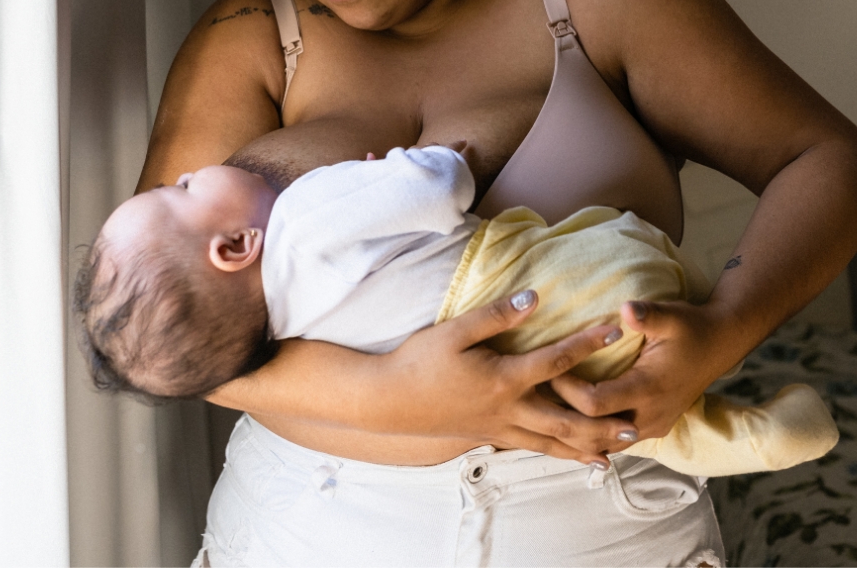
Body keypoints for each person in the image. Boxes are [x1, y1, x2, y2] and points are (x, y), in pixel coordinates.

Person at [135, 0, 857, 567]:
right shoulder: (252, 37)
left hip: (603, 530)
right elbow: (160, 325)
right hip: (309, 529)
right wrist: (395, 395)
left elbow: (825, 156)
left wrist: (726, 328)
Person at [79, 143, 837, 480]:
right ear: (236, 247)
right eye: (178, 193)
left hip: (532, 386)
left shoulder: (283, 330)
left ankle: (757, 435)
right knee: (609, 253)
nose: (182, 174)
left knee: (631, 428)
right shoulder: (303, 214)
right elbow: (437, 190)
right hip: (542, 291)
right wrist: (426, 159)